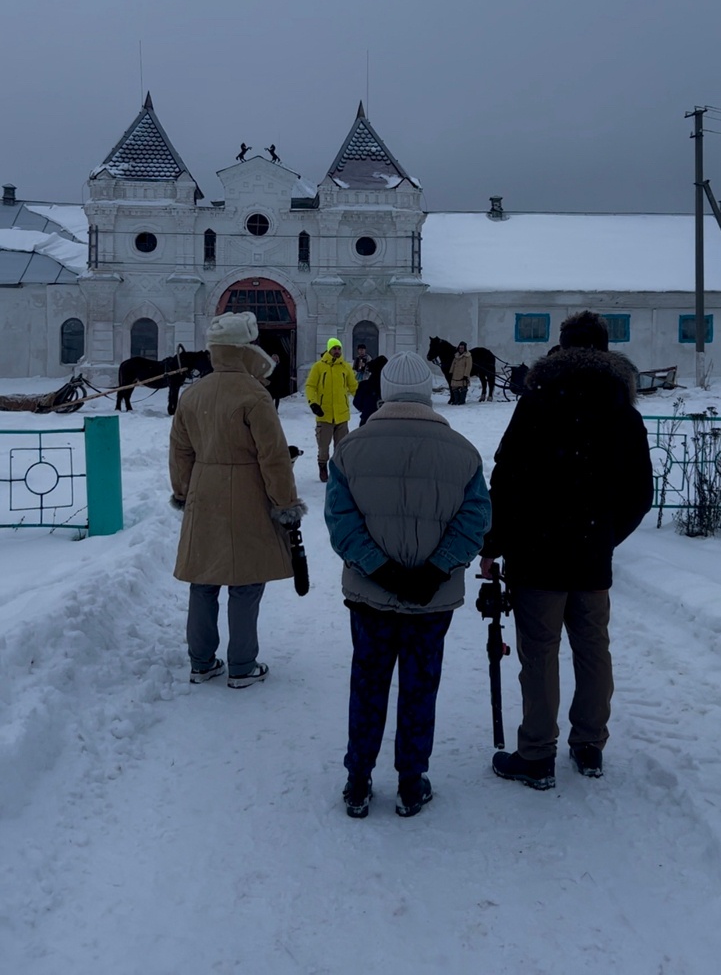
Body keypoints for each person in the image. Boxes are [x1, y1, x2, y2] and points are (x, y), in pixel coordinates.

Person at [481, 310, 653, 789]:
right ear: (604, 349)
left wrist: (495, 542)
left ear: (562, 346)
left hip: (537, 554)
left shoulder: (537, 403)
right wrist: (604, 535)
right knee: (593, 648)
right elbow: (641, 493)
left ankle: (536, 754)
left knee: (539, 652)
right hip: (592, 553)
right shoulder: (623, 410)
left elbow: (507, 476)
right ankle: (589, 745)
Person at [324, 351, 491, 819]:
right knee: (421, 686)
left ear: (386, 393)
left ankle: (358, 781)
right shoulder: (462, 452)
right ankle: (411, 782)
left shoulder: (351, 450)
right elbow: (476, 519)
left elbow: (341, 522)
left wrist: (381, 570)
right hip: (431, 600)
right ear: (427, 392)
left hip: (370, 596)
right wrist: (437, 570)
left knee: (368, 683)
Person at [170, 311, 306, 688]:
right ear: (244, 350)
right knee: (245, 583)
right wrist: (285, 503)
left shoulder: (193, 394)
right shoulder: (254, 395)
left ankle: (201, 662)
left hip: (203, 493)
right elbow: (273, 457)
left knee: (204, 580)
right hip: (247, 493)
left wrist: (184, 492)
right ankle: (242, 665)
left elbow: (180, 451)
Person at [305, 338, 358, 482]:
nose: (337, 351)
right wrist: (313, 403)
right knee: (323, 446)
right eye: (334, 348)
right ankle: (322, 466)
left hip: (342, 415)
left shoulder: (345, 367)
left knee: (341, 447)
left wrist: (363, 399)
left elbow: (353, 387)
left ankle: (338, 471)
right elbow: (310, 386)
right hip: (324, 414)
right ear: (329, 350)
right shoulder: (319, 367)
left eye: (339, 348)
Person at [352, 354, 387, 425]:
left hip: (367, 421)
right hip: (385, 423)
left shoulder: (364, 385)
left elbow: (357, 403)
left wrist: (366, 409)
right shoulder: (389, 387)